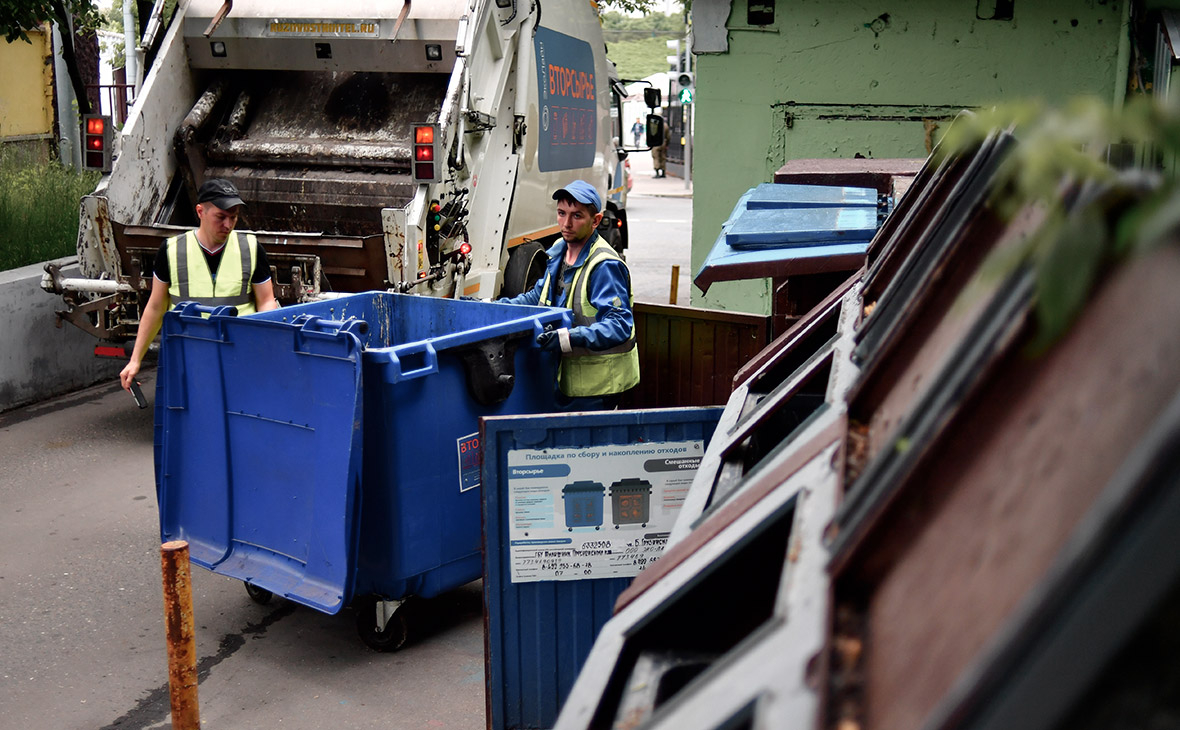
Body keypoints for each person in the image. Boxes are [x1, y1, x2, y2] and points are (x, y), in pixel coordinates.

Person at [119, 178, 279, 393]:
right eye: (221, 217)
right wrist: (135, 359)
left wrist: (266, 346)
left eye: (234, 218)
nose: (228, 225)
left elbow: (266, 301)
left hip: (239, 353)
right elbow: (156, 307)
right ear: (200, 211)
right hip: (188, 356)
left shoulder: (250, 248)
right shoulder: (172, 250)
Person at [501, 180, 639, 406]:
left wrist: (565, 338)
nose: (566, 223)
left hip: (599, 387)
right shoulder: (558, 253)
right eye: (561, 213)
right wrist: (495, 307)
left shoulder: (604, 265)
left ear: (595, 221)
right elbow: (537, 297)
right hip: (567, 382)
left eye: (577, 216)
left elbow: (619, 325)